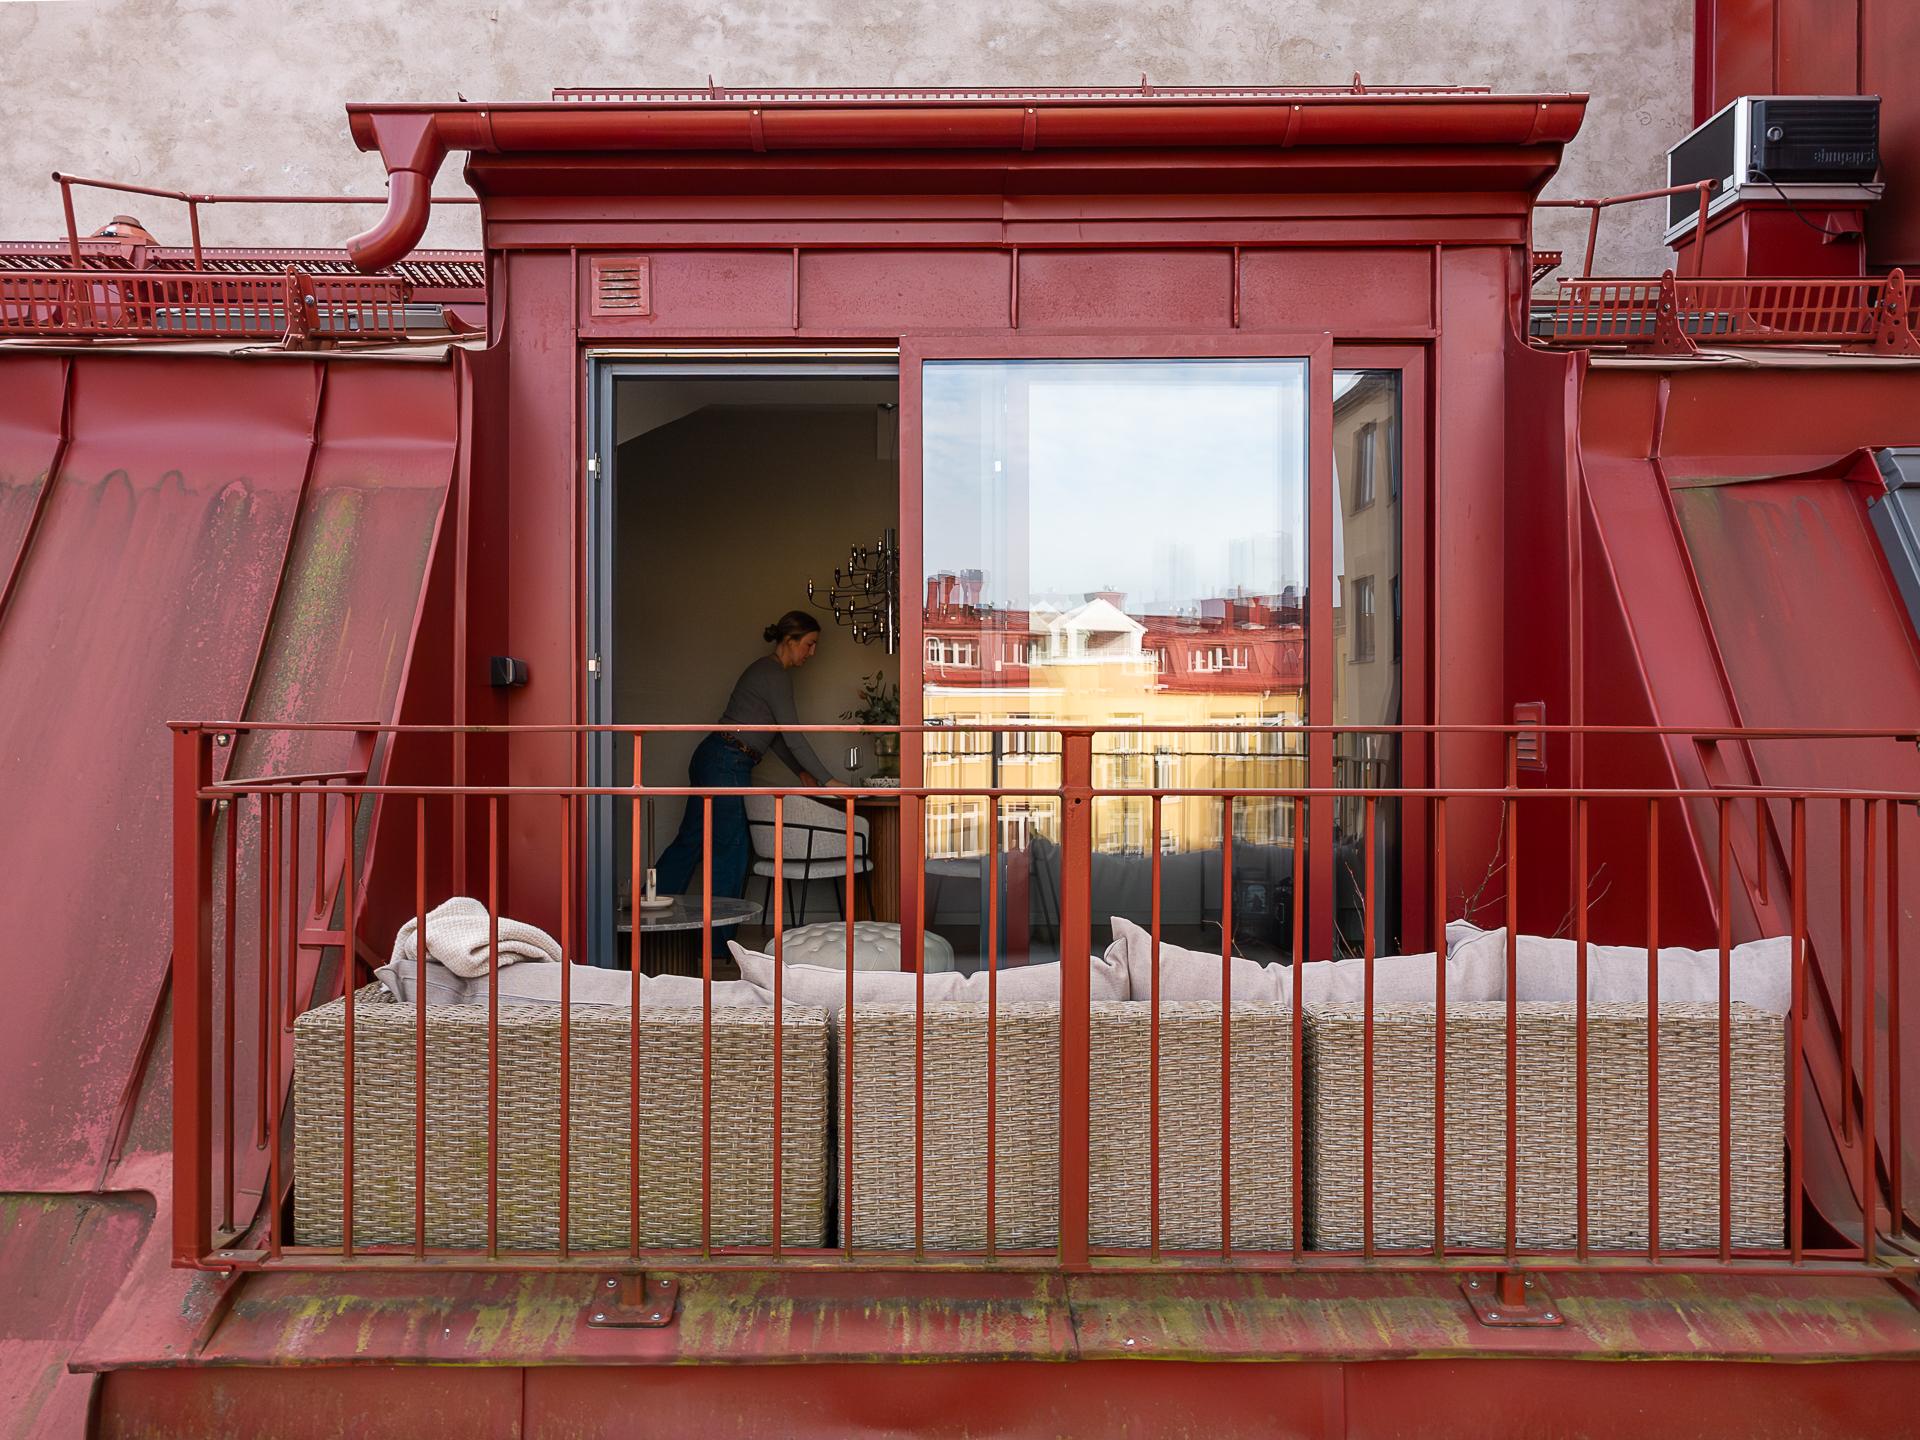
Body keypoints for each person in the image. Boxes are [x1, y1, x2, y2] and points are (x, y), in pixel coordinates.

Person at [653, 610, 833, 902]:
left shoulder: (766, 670)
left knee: (692, 841)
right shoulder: (773, 674)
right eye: (809, 644)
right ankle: (722, 930)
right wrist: (829, 780)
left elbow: (774, 736)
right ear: (790, 640)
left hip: (714, 757)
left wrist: (801, 771)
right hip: (727, 762)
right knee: (732, 849)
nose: (812, 653)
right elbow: (793, 735)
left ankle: (644, 912)